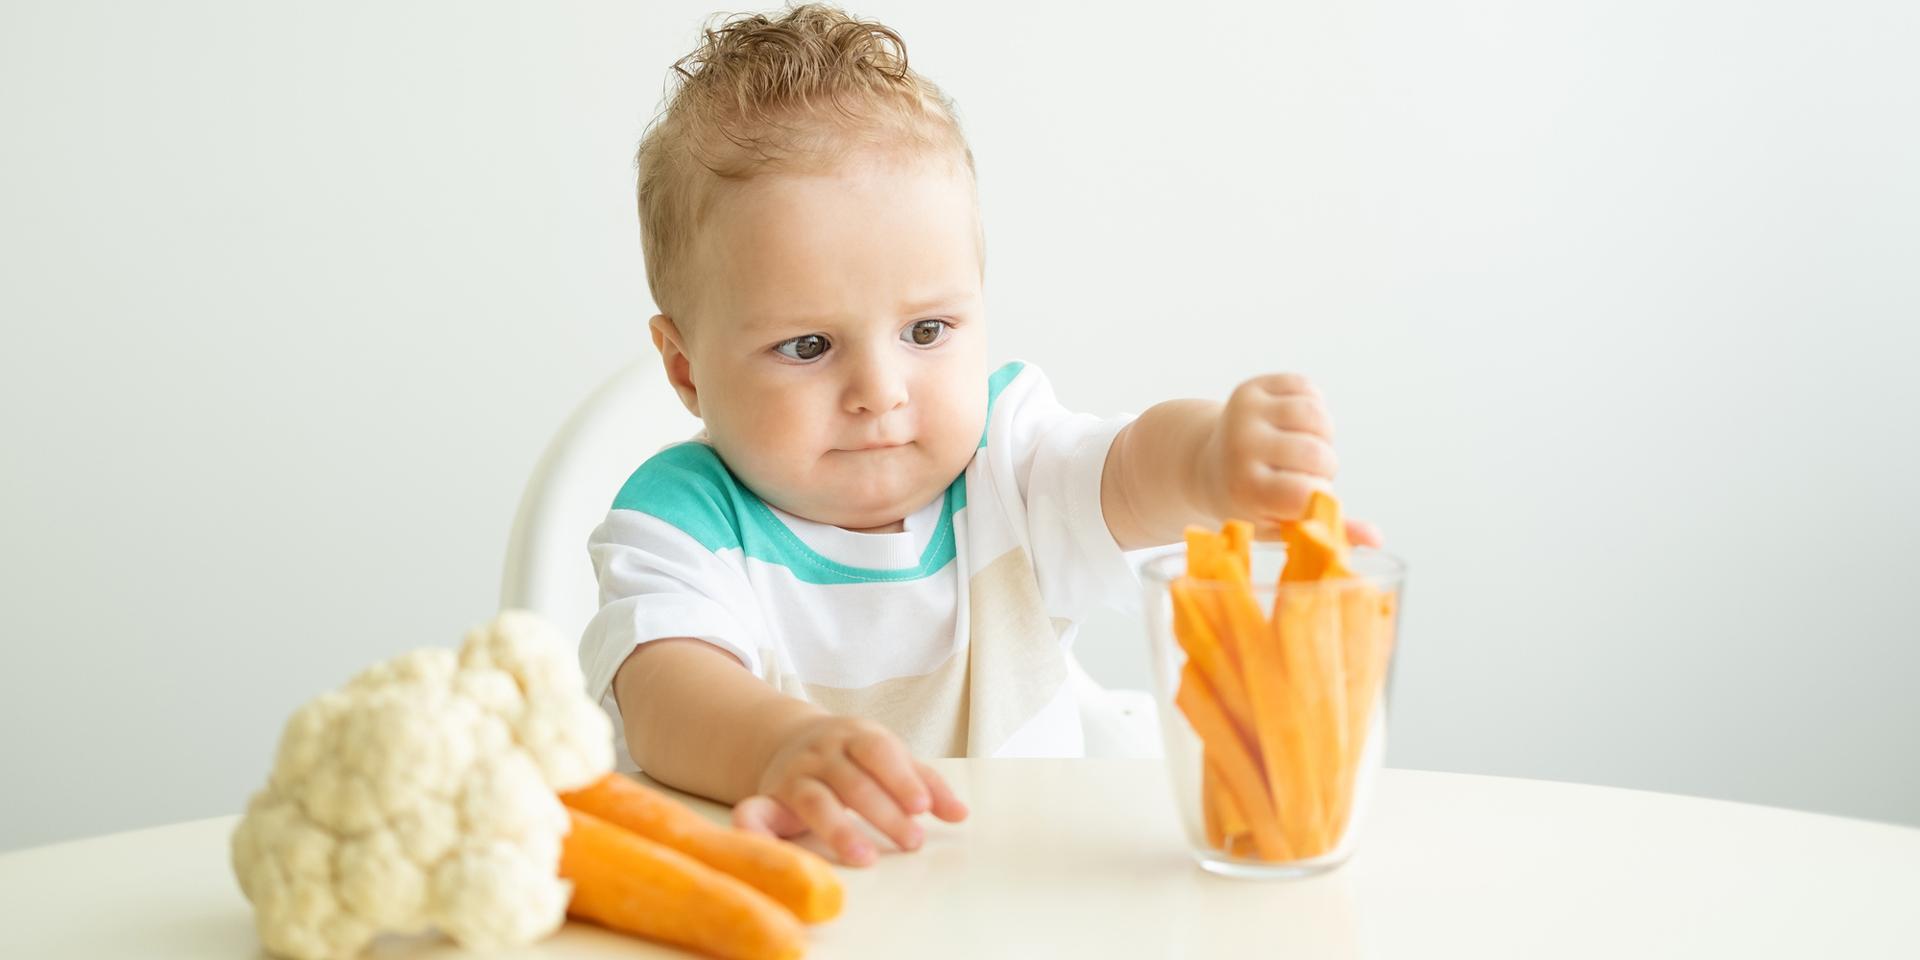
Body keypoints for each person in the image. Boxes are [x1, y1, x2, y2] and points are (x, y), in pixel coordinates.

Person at [579, 3, 1379, 867]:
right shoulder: (680, 523)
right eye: (807, 346)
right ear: (687, 370)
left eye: (926, 332)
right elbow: (666, 690)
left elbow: (1132, 470)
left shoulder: (1007, 461)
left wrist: (1212, 459)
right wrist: (777, 746)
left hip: (1023, 896)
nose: (880, 394)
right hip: (803, 905)